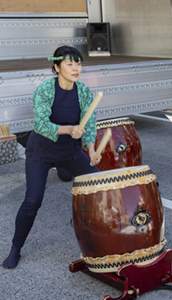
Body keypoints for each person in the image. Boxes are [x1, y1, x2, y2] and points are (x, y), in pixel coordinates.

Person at [2, 45, 101, 269]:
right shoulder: (45, 89)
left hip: (69, 152)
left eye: (78, 63)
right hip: (42, 152)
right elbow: (41, 124)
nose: (76, 68)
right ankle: (16, 247)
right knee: (33, 200)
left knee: (99, 183)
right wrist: (69, 129)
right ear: (56, 67)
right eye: (70, 63)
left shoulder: (84, 91)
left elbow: (91, 123)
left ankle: (93, 230)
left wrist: (92, 150)